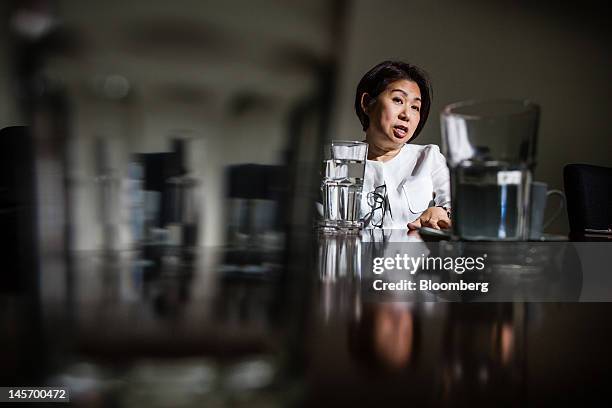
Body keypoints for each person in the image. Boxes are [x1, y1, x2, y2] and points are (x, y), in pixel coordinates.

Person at [355, 60, 451, 230]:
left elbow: (454, 203)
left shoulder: (428, 157)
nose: (407, 114)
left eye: (415, 107)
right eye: (398, 100)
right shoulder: (339, 165)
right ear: (367, 103)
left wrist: (441, 211)